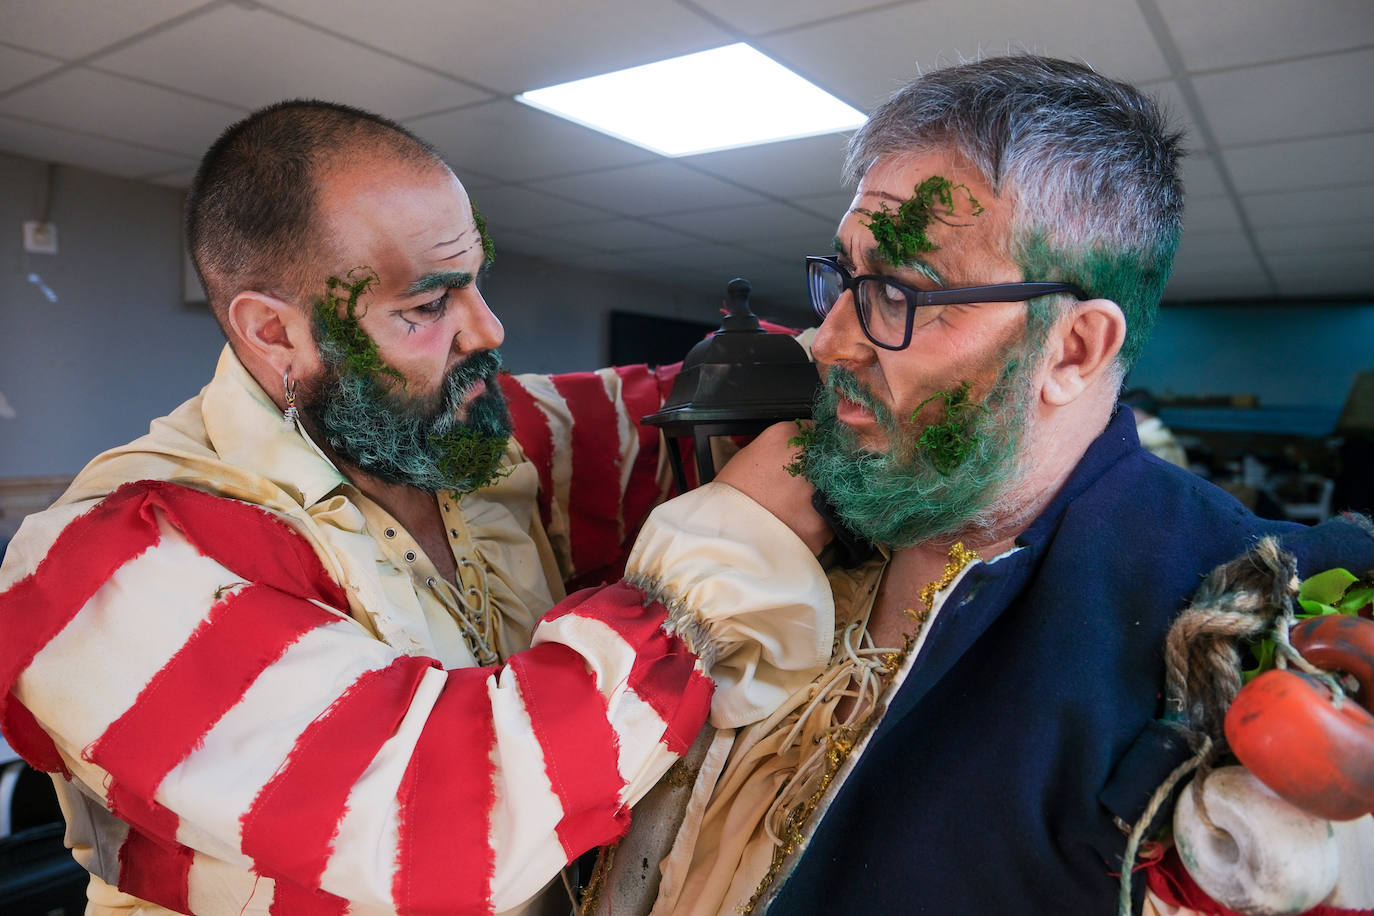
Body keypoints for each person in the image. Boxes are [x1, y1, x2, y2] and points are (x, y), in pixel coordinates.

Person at [0, 101, 831, 916]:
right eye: (428, 306)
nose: (490, 330)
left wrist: (842, 353)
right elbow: (442, 827)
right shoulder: (110, 560)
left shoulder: (447, 436)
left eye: (476, 283)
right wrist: (728, 553)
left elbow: (651, 408)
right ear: (275, 333)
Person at [598, 55, 1374, 914]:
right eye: (848, 278)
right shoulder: (789, 509)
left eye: (900, 290)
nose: (826, 341)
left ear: (1072, 350)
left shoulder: (1230, 628)